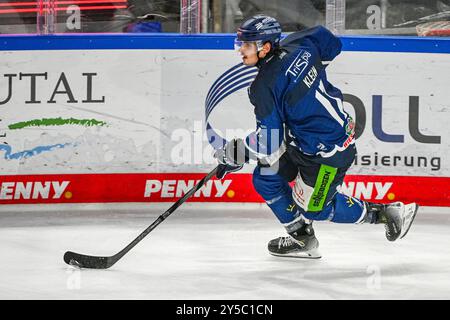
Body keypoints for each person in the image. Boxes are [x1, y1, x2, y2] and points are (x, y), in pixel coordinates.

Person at [213, 15, 419, 259]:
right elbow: (330, 42)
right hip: (301, 143)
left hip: (328, 152)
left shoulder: (263, 86)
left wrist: (234, 153)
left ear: (265, 47)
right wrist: (309, 72)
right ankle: (303, 240)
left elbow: (268, 140)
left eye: (247, 45)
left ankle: (385, 213)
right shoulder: (298, 44)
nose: (241, 51)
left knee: (315, 210)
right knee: (266, 178)